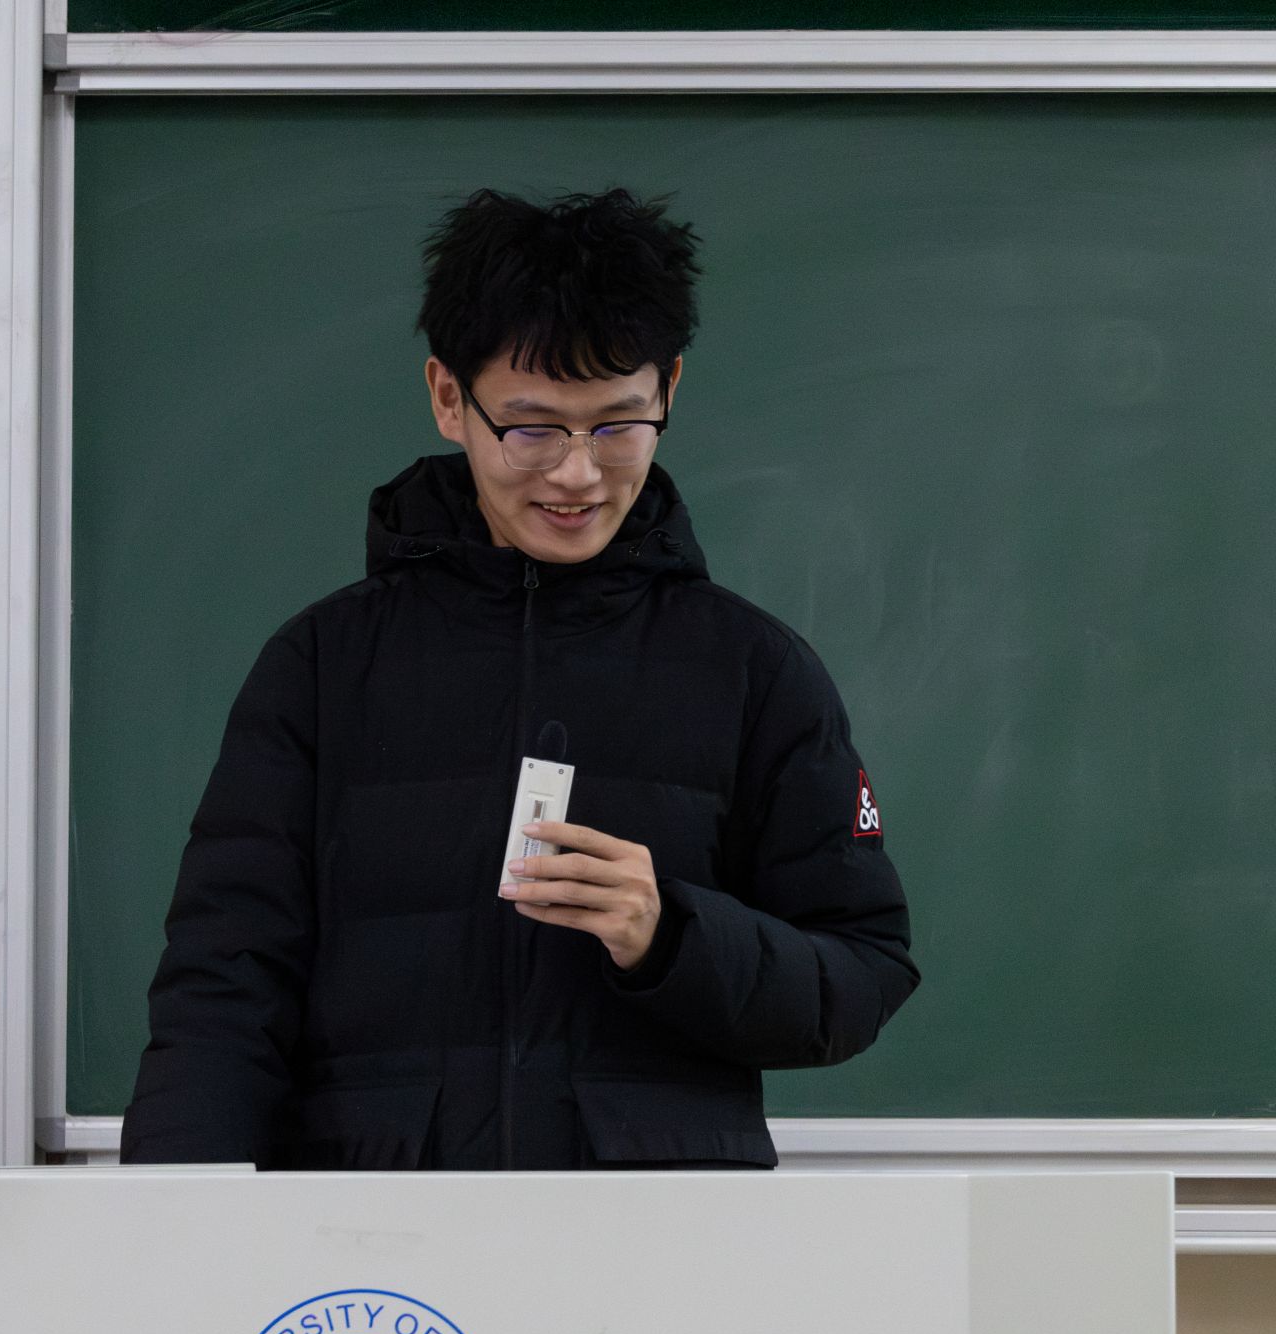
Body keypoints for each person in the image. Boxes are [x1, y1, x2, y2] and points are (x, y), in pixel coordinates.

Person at [120, 187, 918, 1170]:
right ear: (448, 397)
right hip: (378, 1235)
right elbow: (219, 992)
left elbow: (860, 978)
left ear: (669, 389)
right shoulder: (321, 667)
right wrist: (169, 1225)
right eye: (532, 429)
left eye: (617, 426)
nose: (577, 475)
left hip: (656, 1233)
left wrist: (671, 934)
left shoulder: (754, 670)